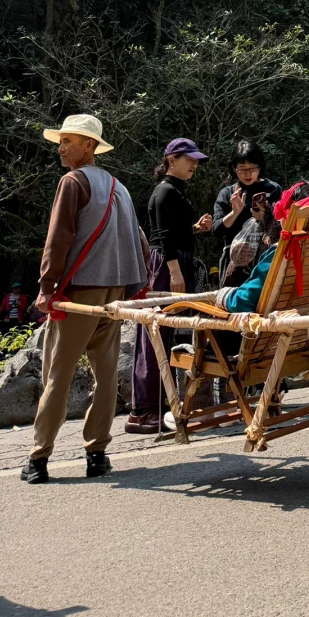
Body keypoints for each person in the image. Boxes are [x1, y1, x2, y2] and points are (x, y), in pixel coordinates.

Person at [22, 113, 149, 485]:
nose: (61, 148)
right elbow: (140, 241)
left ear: (89, 146)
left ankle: (38, 457)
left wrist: (46, 288)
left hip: (79, 294)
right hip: (114, 292)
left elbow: (58, 237)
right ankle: (97, 453)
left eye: (69, 141)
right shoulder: (118, 186)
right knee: (106, 374)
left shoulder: (72, 181)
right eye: (60, 141)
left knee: (57, 375)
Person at [125, 138, 213, 434]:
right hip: (166, 267)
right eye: (190, 159)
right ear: (172, 159)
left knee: (167, 331)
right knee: (155, 331)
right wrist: (174, 273)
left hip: (174, 263)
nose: (195, 165)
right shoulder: (165, 191)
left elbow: (173, 232)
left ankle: (162, 404)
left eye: (196, 160)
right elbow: (161, 236)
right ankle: (144, 410)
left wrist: (194, 230)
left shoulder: (176, 191)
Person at [214, 180, 309, 313]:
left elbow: (241, 303)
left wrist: (223, 295)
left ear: (289, 214)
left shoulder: (284, 252)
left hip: (283, 325)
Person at [211, 141, 281, 281]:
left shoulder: (273, 189)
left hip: (265, 258)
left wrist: (265, 218)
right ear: (234, 168)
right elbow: (216, 230)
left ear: (260, 167)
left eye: (253, 168)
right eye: (242, 169)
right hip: (234, 260)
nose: (248, 174)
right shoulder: (228, 193)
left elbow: (283, 225)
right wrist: (234, 213)